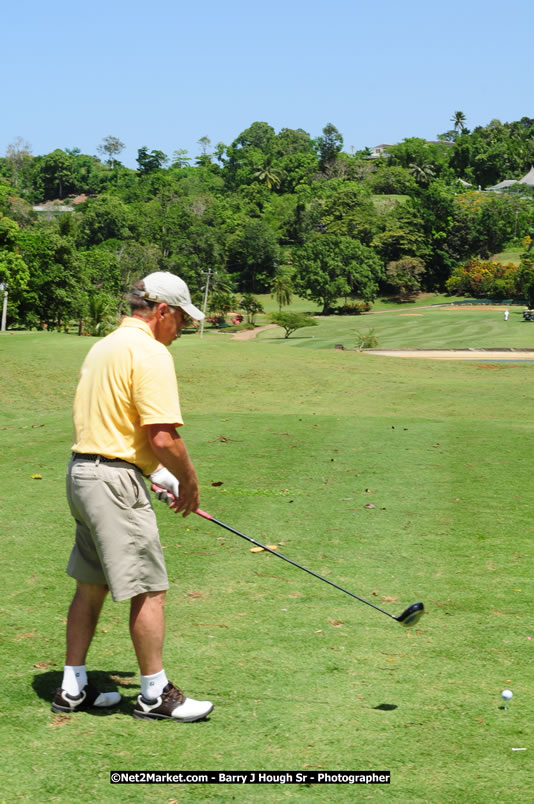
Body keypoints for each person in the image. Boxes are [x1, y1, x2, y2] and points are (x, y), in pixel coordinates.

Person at [52, 272, 213, 723]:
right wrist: (188, 480)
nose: (180, 330)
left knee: (92, 584)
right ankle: (154, 695)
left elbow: (118, 427)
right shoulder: (150, 352)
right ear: (162, 310)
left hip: (83, 475)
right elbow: (162, 436)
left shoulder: (104, 346)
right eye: (180, 319)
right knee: (149, 589)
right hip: (114, 483)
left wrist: (155, 474)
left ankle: (73, 687)